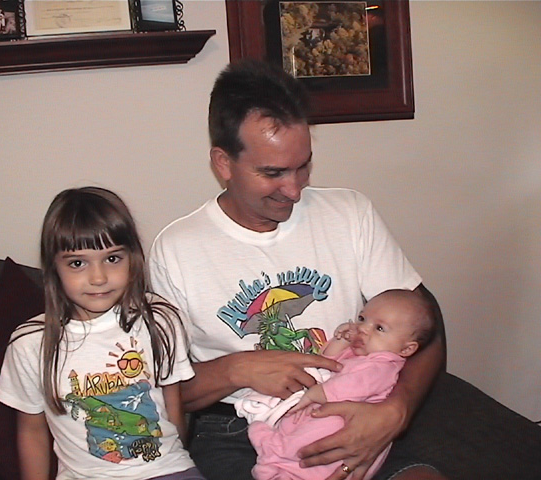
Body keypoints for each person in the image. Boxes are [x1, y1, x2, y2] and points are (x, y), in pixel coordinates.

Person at [148, 59, 446, 480]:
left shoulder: (350, 213)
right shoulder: (177, 249)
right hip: (241, 425)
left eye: (303, 165)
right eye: (273, 172)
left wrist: (395, 413)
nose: (293, 189)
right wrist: (236, 369)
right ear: (223, 163)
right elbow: (165, 392)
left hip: (353, 406)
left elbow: (427, 331)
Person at [0, 187, 206, 480]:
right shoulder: (31, 343)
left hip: (167, 468)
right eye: (77, 263)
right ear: (53, 268)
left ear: (132, 258)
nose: (98, 278)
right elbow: (32, 431)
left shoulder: (160, 319)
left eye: (112, 259)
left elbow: (174, 407)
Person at [249, 289, 435, 480]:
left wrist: (318, 392)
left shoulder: (385, 364)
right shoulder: (360, 354)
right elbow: (328, 362)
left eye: (379, 328)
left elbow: (357, 385)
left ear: (406, 349)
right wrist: (342, 341)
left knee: (326, 425)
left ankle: (276, 450)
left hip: (350, 426)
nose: (363, 328)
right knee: (299, 421)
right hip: (329, 414)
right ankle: (279, 466)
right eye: (362, 319)